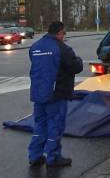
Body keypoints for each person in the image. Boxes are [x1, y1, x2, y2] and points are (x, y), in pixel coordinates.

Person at [27, 22, 83, 167]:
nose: (64, 36)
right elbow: (75, 67)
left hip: (38, 92)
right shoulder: (63, 49)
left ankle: (35, 155)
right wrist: (79, 61)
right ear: (59, 33)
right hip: (56, 93)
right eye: (64, 33)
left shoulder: (35, 47)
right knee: (55, 125)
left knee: (40, 124)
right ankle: (53, 157)